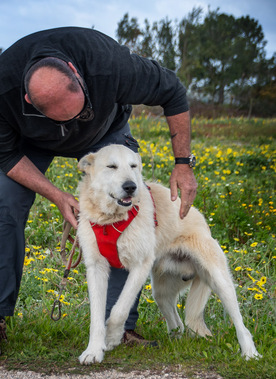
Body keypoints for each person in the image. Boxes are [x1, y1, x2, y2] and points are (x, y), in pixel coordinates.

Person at [0, 27, 197, 350]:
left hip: (104, 133)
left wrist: (183, 163)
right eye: (58, 117)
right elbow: (6, 155)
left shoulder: (109, 64)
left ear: (78, 75)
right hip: (28, 144)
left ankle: (119, 329)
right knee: (5, 204)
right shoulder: (3, 86)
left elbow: (173, 92)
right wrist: (58, 194)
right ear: (27, 98)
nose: (68, 127)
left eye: (78, 112)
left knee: (125, 206)